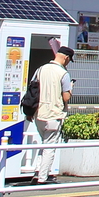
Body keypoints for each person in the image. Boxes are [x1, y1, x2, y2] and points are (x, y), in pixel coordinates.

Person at [26, 42, 74, 184]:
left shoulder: (40, 69)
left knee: (44, 144)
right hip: (54, 114)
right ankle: (42, 177)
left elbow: (32, 89)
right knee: (50, 147)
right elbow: (66, 97)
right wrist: (70, 88)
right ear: (66, 58)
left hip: (39, 114)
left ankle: (37, 172)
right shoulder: (63, 73)